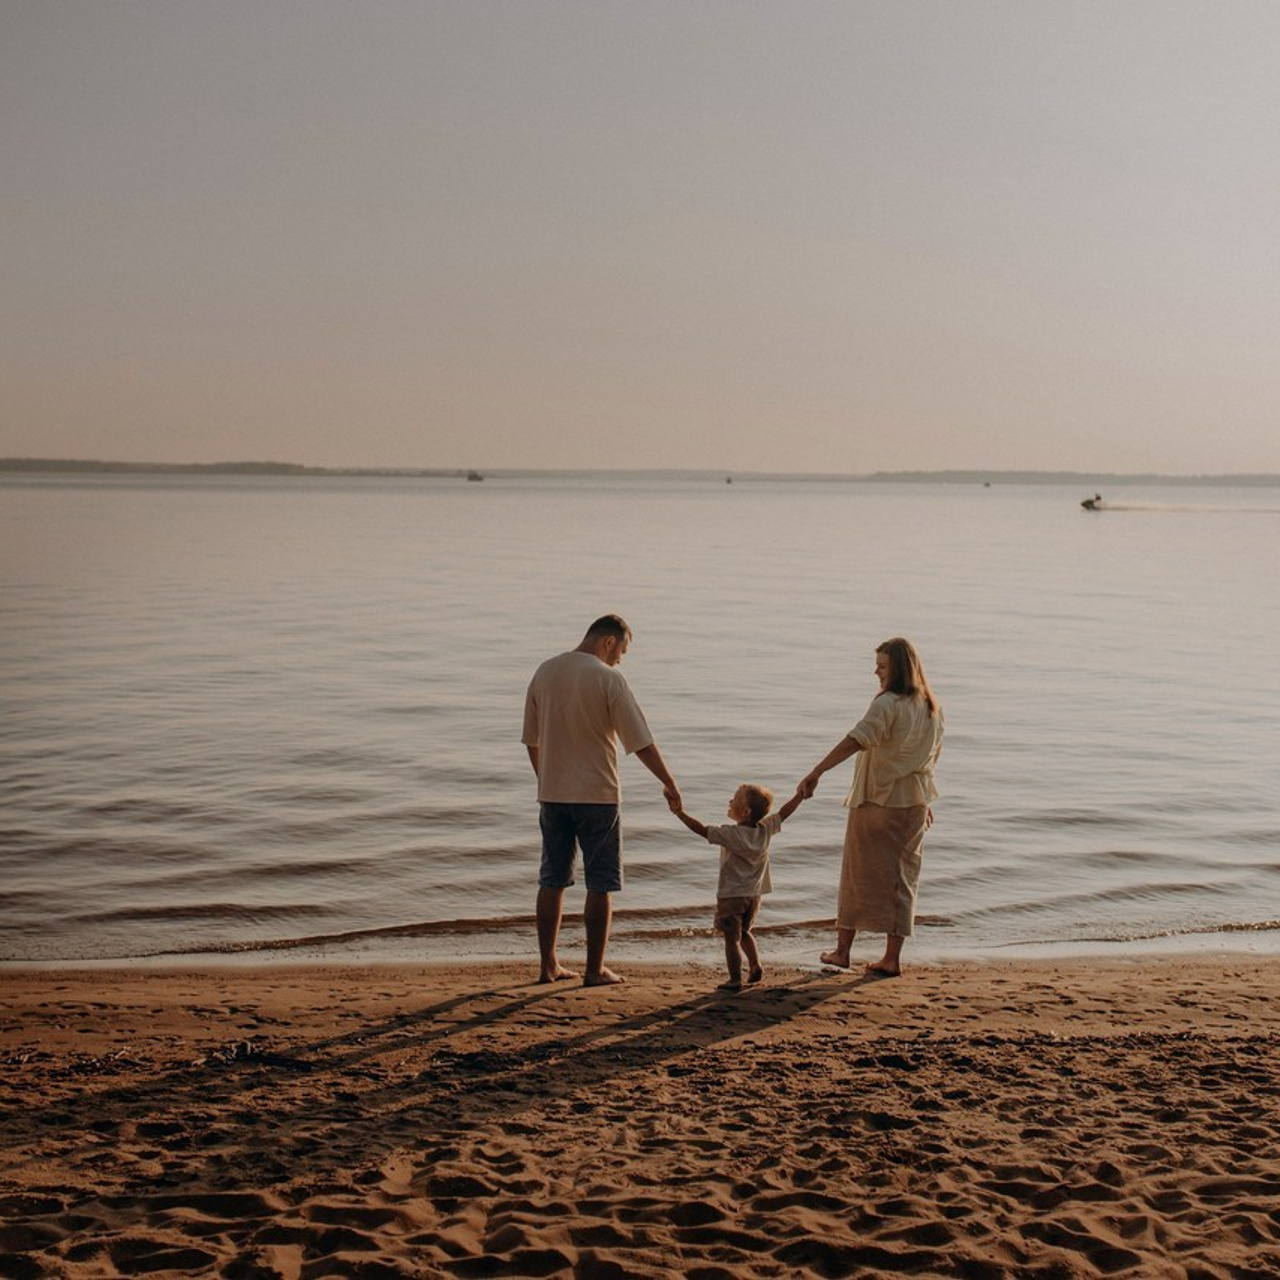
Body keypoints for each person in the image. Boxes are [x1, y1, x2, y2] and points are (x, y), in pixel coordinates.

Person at [522, 615, 681, 987]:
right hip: (598, 796)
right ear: (609, 641)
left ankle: (548, 966)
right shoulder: (608, 678)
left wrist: (546, 779)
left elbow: (532, 740)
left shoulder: (545, 671)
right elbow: (640, 741)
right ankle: (594, 970)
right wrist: (668, 781)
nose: (619, 660)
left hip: (552, 795)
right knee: (601, 883)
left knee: (551, 880)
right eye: (621, 652)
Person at [798, 637, 943, 978]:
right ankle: (891, 958)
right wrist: (925, 800)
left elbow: (857, 739)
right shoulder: (931, 706)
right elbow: (930, 758)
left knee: (857, 875)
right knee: (902, 879)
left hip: (879, 800)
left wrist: (817, 771)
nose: (876, 672)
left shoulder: (888, 703)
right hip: (913, 803)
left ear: (899, 669)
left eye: (882, 666)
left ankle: (842, 951)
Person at [675, 783, 804, 990]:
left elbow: (701, 830)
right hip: (753, 896)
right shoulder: (765, 829)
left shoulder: (731, 834)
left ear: (745, 812)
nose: (730, 801)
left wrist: (680, 813)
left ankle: (735, 979)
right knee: (745, 932)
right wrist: (799, 796)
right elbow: (784, 813)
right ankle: (755, 965)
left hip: (731, 897)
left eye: (734, 799)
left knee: (731, 939)